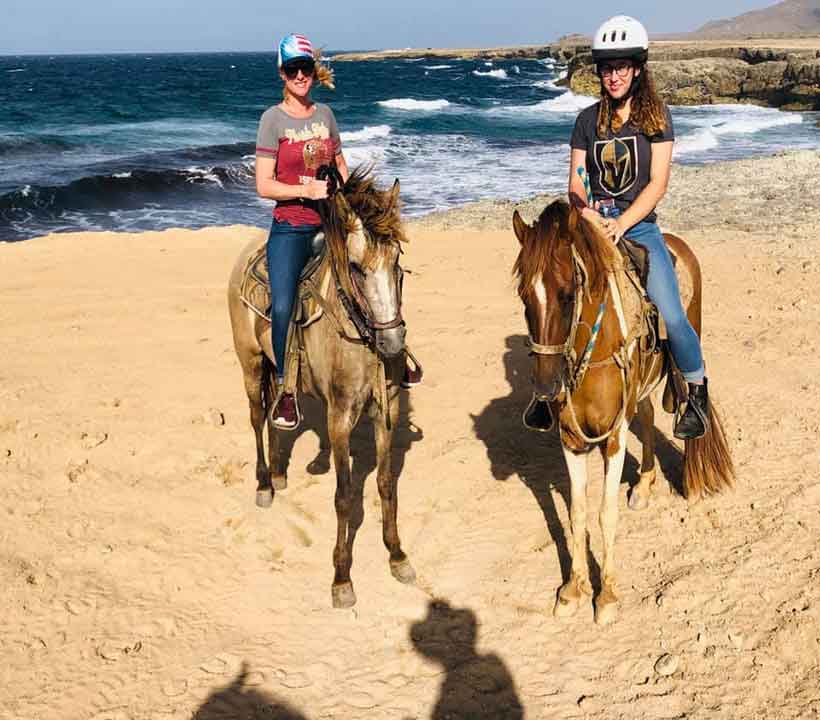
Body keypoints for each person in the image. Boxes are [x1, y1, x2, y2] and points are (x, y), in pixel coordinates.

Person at [255, 34, 420, 431]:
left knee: (378, 273)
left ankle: (398, 353)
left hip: (334, 225)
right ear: (282, 72)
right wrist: (304, 190)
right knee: (282, 305)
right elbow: (264, 185)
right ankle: (286, 388)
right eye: (292, 69)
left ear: (313, 72)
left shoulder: (325, 115)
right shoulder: (272, 120)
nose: (299, 76)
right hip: (291, 228)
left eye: (305, 69)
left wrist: (357, 200)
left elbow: (341, 166)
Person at [567, 15, 709, 440]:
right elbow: (576, 180)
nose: (613, 77)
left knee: (671, 311)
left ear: (637, 69)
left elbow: (658, 183)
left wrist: (622, 223)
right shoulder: (586, 122)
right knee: (553, 293)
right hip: (593, 224)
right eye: (607, 69)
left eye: (622, 67)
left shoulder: (656, 118)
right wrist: (587, 212)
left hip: (639, 228)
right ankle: (548, 391)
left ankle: (696, 392)